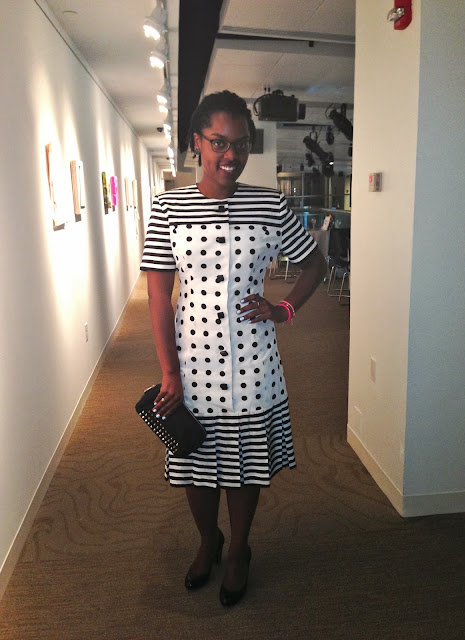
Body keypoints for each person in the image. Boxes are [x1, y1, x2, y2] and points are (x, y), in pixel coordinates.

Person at [140, 90, 324, 606]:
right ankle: (209, 540)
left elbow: (315, 264)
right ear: (197, 142)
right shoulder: (169, 206)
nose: (231, 154)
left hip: (253, 362)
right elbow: (158, 295)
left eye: (241, 144)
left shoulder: (270, 204)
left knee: (245, 465)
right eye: (219, 142)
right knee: (195, 461)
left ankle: (239, 548)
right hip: (191, 362)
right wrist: (168, 372)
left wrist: (284, 310)